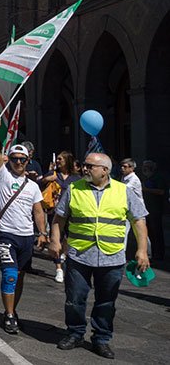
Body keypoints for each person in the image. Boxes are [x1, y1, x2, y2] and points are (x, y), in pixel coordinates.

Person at [50, 153, 149, 359]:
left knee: (106, 301)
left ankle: (101, 339)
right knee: (75, 299)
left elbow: (139, 221)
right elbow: (59, 218)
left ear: (105, 170)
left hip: (112, 257)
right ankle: (75, 333)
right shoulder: (74, 189)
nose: (85, 169)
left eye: (90, 166)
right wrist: (55, 240)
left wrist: (141, 250)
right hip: (79, 255)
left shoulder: (124, 191)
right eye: (84, 165)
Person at [0, 118, 48, 334]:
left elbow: (38, 211)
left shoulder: (33, 186)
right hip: (6, 234)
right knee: (10, 275)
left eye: (23, 159)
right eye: (14, 159)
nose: (19, 163)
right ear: (10, 160)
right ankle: (10, 315)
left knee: (20, 275)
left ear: (28, 160)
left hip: (26, 236)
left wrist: (42, 232)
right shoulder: (3, 175)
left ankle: (12, 309)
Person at [41, 151, 81, 283]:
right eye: (57, 159)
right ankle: (58, 268)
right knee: (56, 238)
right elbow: (39, 186)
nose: (58, 161)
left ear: (67, 161)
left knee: (69, 239)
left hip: (72, 213)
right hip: (55, 212)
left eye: (60, 159)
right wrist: (46, 180)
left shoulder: (76, 178)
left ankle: (64, 253)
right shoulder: (53, 174)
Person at [140, 160, 167, 261]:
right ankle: (153, 253)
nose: (144, 168)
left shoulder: (158, 178)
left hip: (156, 209)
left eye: (146, 167)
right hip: (148, 209)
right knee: (150, 233)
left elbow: (161, 191)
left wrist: (146, 189)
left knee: (157, 232)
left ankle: (159, 254)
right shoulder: (147, 178)